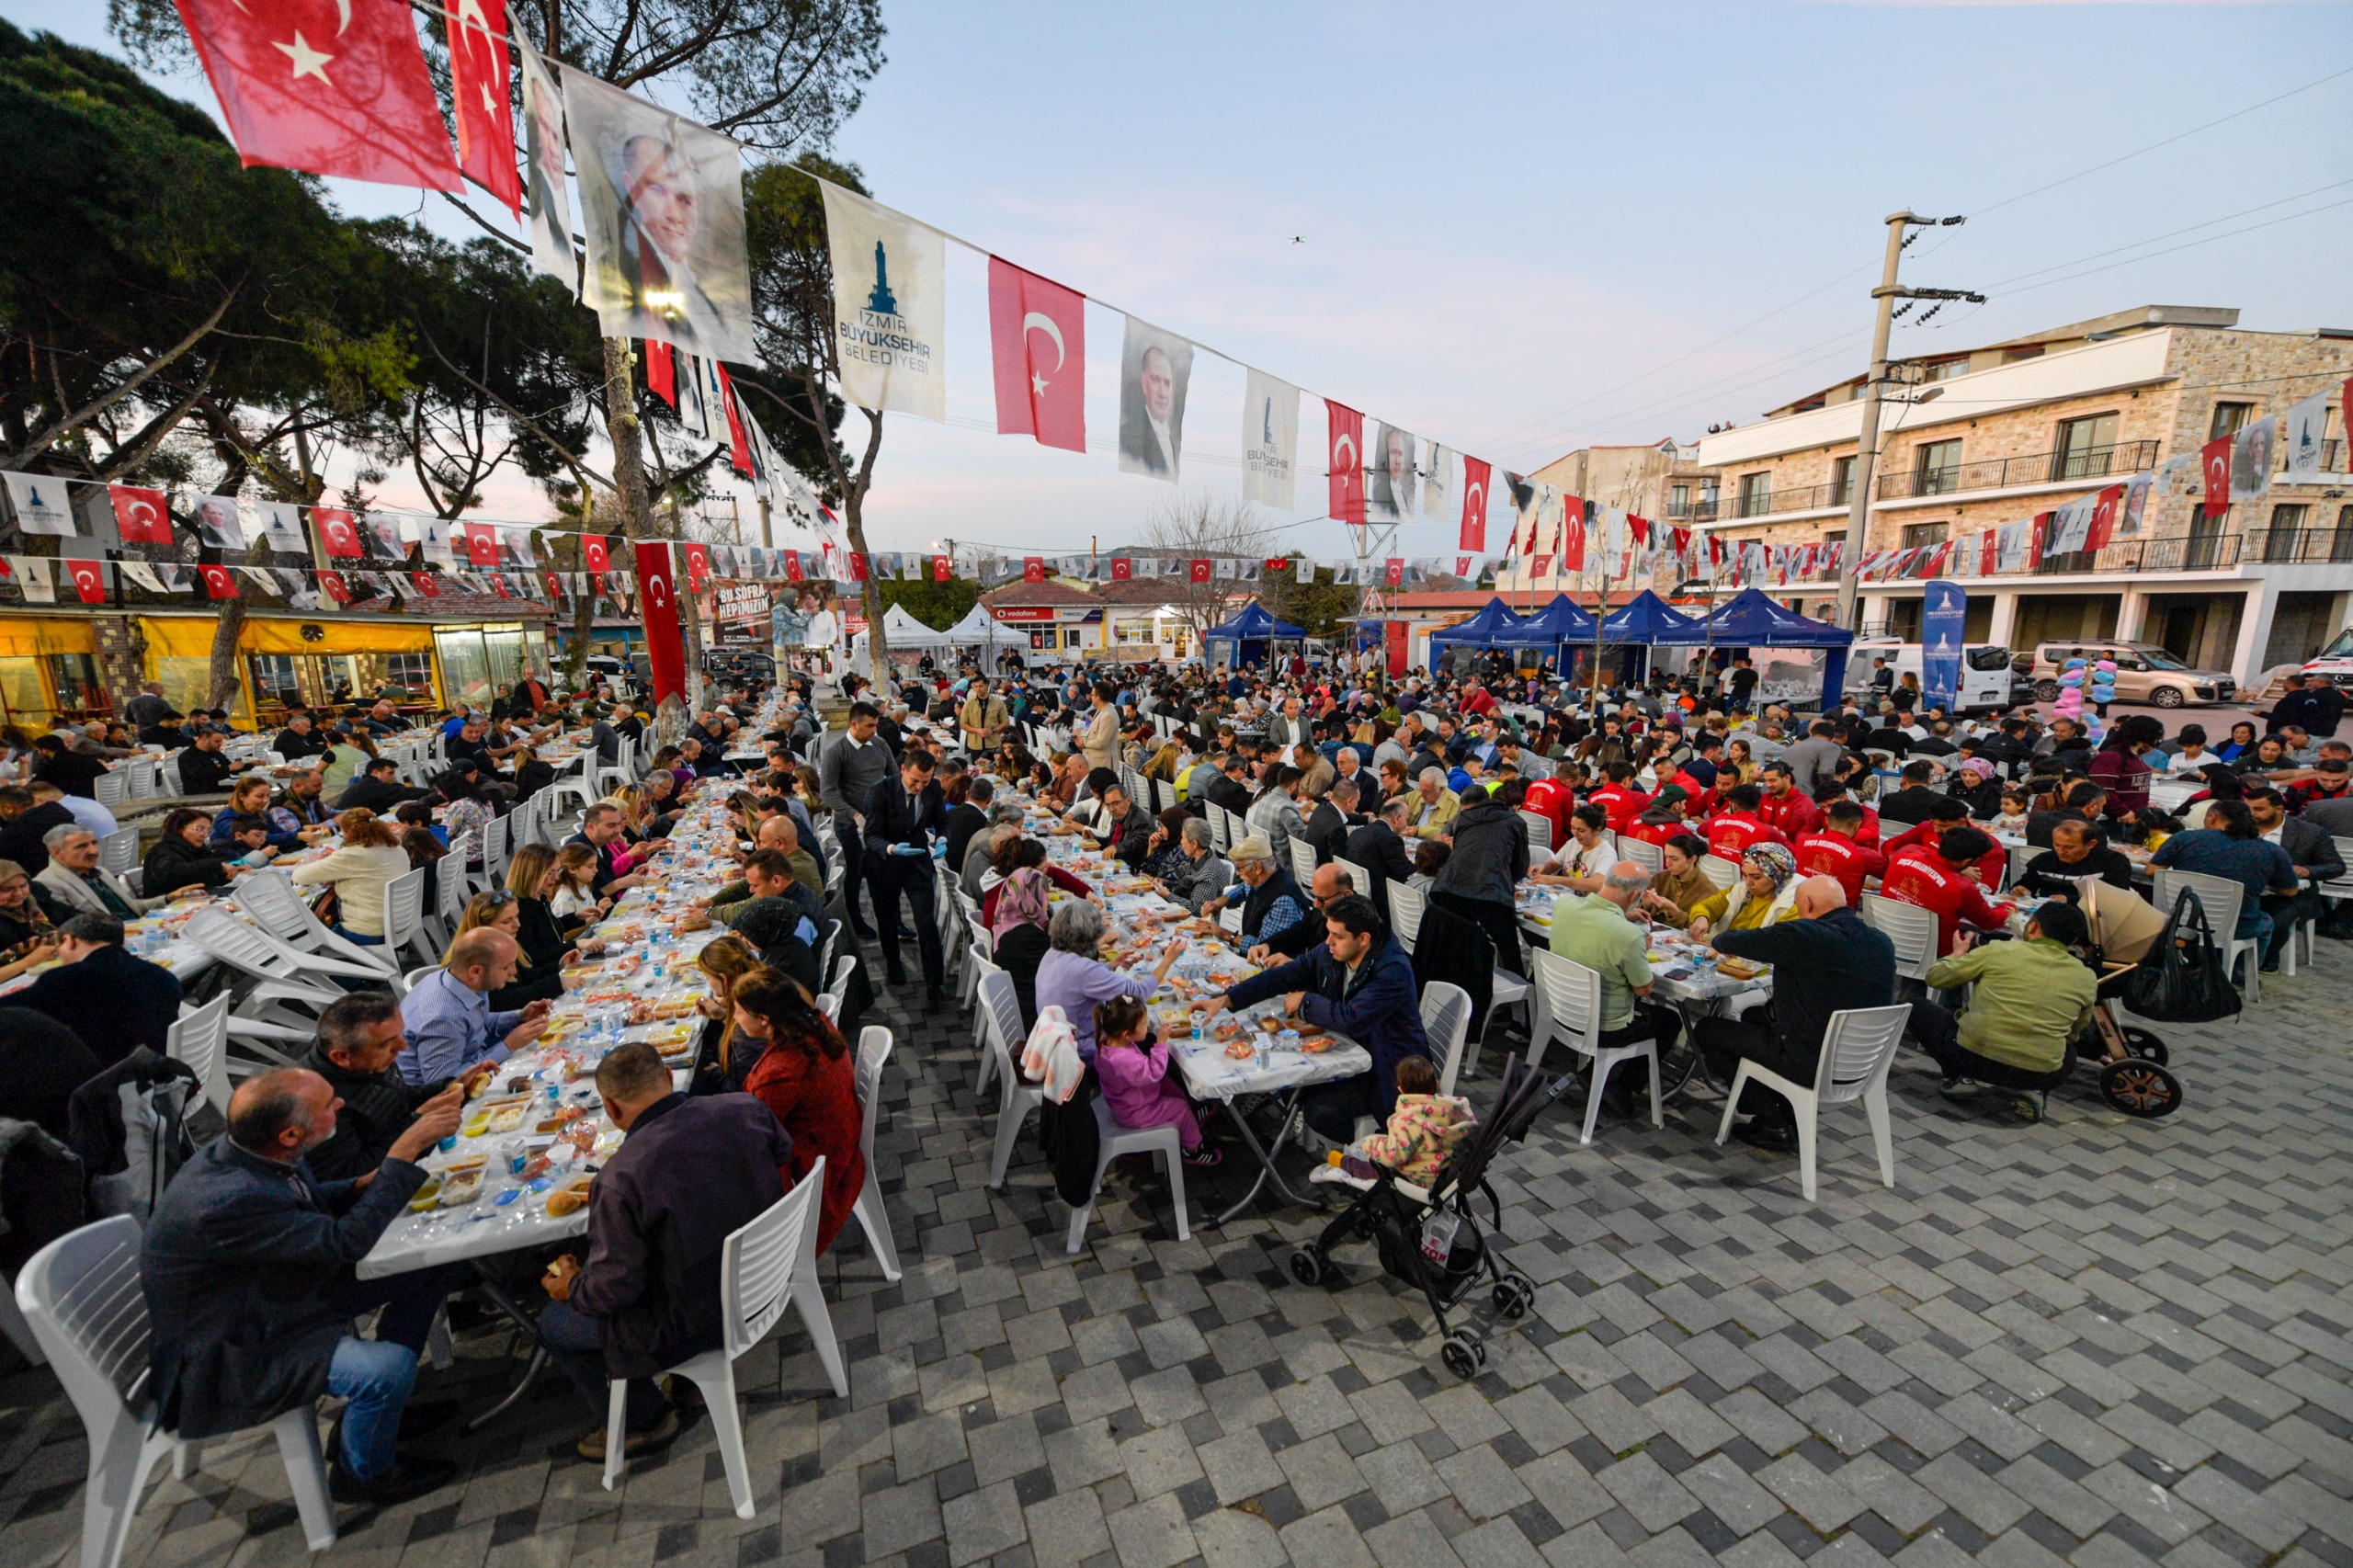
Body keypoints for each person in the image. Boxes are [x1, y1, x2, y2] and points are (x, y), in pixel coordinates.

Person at [141, 1066, 468, 1502]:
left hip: (273, 1293)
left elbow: (293, 1201)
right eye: (329, 1106)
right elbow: (343, 1243)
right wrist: (401, 1155)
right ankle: (363, 1473)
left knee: (429, 1265)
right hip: (238, 1344)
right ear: (291, 1135)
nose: (342, 1106)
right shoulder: (225, 1200)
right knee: (384, 1370)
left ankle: (383, 1412)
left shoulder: (246, 1151)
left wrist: (360, 1184)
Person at [535, 1041, 792, 1462]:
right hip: (765, 1275)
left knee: (555, 1323)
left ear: (611, 1109)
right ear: (670, 1079)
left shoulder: (620, 1179)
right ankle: (688, 1387)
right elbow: (782, 1151)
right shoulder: (744, 1107)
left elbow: (613, 1291)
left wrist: (573, 1287)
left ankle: (644, 1420)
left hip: (696, 1317)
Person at [1204, 893, 1429, 1143]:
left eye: (1338, 936)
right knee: (1286, 1074)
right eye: (1329, 932)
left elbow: (1352, 1018)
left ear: (1363, 938)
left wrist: (1305, 1002)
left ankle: (1370, 1150)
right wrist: (1226, 999)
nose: (1328, 941)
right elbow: (1287, 974)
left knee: (1318, 1109)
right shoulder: (1333, 950)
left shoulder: (1392, 971)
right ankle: (1267, 1124)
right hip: (1348, 1051)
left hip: (1388, 1070)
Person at [1695, 875, 1896, 1150]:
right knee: (1754, 1015)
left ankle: (1772, 1121)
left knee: (1709, 1030)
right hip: (1863, 1062)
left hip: (1810, 1060)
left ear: (1809, 905)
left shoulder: (1806, 935)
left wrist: (1718, 940)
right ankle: (1790, 1114)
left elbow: (1737, 940)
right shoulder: (1881, 941)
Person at [1907, 903, 2097, 1122]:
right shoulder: (2086, 977)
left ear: (2032, 927)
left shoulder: (1999, 950)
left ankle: (1959, 1077)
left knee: (1916, 1008)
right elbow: (2077, 1029)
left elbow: (1936, 978)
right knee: (2068, 1051)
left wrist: (1957, 953)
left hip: (1971, 1057)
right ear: (2073, 941)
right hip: (2040, 1072)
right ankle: (2035, 1091)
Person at [730, 969, 868, 1253]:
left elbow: (756, 1140)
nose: (733, 1018)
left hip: (821, 1171)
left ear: (764, 1019)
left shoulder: (782, 1070)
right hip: (841, 1143)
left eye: (738, 1011)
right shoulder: (816, 1026)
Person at [300, 990, 465, 1181]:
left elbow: (401, 1098)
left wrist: (451, 1085)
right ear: (342, 1057)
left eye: (400, 1034)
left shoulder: (366, 1061)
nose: (403, 1047)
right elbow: (351, 1177)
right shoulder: (319, 1103)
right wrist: (417, 1122)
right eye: (387, 1043)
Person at [1548, 861, 1686, 1074]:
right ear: (1635, 896)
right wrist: (1639, 948)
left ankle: (1603, 1074)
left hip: (1561, 1008)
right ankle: (1623, 1085)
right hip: (1605, 1027)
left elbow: (1595, 926)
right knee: (1668, 1021)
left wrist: (1622, 917)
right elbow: (1644, 989)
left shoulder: (1564, 905)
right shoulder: (1628, 936)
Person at [10, 912, 182, 1066]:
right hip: (162, 1068)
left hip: (102, 1079)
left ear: (69, 941)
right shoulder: (161, 975)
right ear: (122, 942)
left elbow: (10, 1013)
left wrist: (26, 992)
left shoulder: (64, 979)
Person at [397, 927, 551, 1085]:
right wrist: (509, 1045)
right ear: (475, 971)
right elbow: (443, 1084)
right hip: (441, 1098)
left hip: (470, 1059)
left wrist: (519, 1017)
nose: (514, 971)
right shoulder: (442, 1017)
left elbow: (475, 1021)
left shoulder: (463, 981)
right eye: (506, 967)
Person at [1034, 899, 1183, 1059]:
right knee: (1147, 1035)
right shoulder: (1083, 969)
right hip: (1080, 1051)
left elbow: (1078, 982)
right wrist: (1168, 960)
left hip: (1056, 1044)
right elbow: (1138, 995)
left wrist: (1111, 965)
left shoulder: (1052, 954)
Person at [2150, 799, 2301, 955]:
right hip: (2236, 927)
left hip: (2177, 920)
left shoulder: (2183, 838)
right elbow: (2290, 891)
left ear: (2212, 818)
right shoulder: (2272, 851)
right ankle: (2240, 973)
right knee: (2266, 922)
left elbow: (2152, 871)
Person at [1093, 993, 1220, 1167]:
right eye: (1144, 1025)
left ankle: (1189, 1119)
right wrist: (1160, 1043)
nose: (1148, 1027)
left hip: (1126, 1099)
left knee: (1169, 1085)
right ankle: (1193, 1148)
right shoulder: (1124, 1060)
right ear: (1127, 1034)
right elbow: (1155, 1072)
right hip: (1135, 1112)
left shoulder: (1107, 1042)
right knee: (1180, 1108)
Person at [863, 744, 949, 1002]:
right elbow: (870, 836)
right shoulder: (879, 792)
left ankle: (935, 984)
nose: (920, 787)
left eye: (925, 781)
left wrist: (943, 838)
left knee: (926, 923)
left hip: (917, 862)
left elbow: (942, 821)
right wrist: (891, 848)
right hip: (884, 863)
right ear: (902, 770)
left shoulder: (933, 788)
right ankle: (894, 964)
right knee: (887, 919)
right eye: (915, 781)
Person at [2245, 787, 2345, 969]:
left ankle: (2266, 960)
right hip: (2249, 889)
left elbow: (2336, 867)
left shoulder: (2310, 833)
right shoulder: (2241, 828)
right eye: (2248, 809)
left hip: (2291, 894)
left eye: (2259, 809)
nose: (2252, 814)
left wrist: (2306, 870)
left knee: (2277, 920)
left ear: (2279, 808)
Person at [1881, 825, 2017, 956]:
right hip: (1942, 955)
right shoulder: (1962, 887)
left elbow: (1919, 852)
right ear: (1967, 862)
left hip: (1890, 941)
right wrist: (2007, 907)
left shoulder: (1902, 857)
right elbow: (1989, 921)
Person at [287, 809, 412, 946]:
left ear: (348, 832)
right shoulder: (397, 847)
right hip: (402, 922)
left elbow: (300, 876)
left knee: (312, 940)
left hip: (369, 931)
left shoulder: (352, 855)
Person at [1347, 1055, 1472, 1187]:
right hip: (1447, 1175)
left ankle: (1339, 1165)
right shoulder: (1456, 1109)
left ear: (1400, 1089)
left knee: (1364, 1162)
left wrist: (1371, 1145)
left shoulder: (1405, 1121)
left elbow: (1393, 1157)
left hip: (1419, 1180)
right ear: (1436, 1084)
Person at [1204, 835, 1309, 947]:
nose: (1238, 873)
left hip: (1274, 961)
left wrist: (1224, 935)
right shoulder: (1263, 877)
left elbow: (1263, 946)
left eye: (1240, 868)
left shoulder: (1283, 901)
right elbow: (1244, 888)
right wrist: (1221, 901)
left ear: (1257, 868)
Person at [33, 824, 155, 918]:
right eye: (81, 846)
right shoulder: (48, 884)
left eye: (94, 843)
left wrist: (168, 899)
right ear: (55, 852)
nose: (94, 851)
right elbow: (73, 927)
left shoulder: (101, 872)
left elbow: (130, 907)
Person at [988, 865, 1056, 1027]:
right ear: (1031, 899)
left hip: (1014, 1001)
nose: (1046, 905)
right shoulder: (1030, 938)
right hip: (1032, 1014)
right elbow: (1063, 967)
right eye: (1043, 897)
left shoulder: (1006, 921)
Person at [1688, 844, 1802, 939]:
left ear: (1777, 877)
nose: (1748, 882)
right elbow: (1709, 906)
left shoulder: (1791, 905)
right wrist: (1701, 918)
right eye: (1745, 875)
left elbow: (1774, 941)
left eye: (1756, 877)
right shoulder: (1740, 890)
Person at [1793, 801, 1886, 908]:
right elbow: (1891, 873)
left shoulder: (1802, 843)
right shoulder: (1864, 856)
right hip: (1838, 920)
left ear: (1827, 821)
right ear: (1857, 825)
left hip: (1798, 913)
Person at [2013, 819, 2135, 900]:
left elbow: (2117, 899)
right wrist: (2020, 889)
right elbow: (2027, 884)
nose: (2061, 852)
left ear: (2090, 844)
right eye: (2056, 845)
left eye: (2069, 847)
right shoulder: (2044, 861)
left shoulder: (2112, 862)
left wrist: (2070, 900)